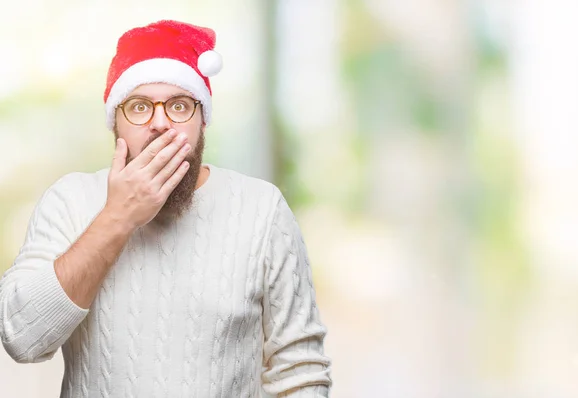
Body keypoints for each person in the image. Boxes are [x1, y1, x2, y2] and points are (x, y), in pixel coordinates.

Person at [0, 20, 332, 397]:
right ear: (116, 123)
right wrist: (117, 217)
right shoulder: (68, 201)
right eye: (139, 107)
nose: (160, 123)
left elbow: (300, 373)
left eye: (178, 105)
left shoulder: (262, 209)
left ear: (202, 119)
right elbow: (22, 340)